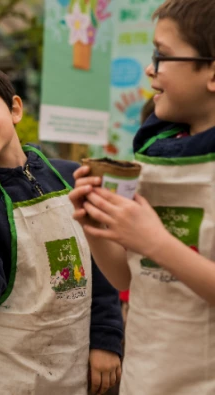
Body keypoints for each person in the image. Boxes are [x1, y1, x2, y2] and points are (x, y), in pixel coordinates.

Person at [0, 61, 124, 395]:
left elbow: (102, 268)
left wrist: (106, 338)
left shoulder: (70, 176)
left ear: (15, 108)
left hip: (71, 369)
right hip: (1, 376)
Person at [69, 0, 215, 393]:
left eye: (162, 56)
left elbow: (157, 251)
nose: (150, 69)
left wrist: (155, 241)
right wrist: (96, 227)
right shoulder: (160, 154)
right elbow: (128, 275)